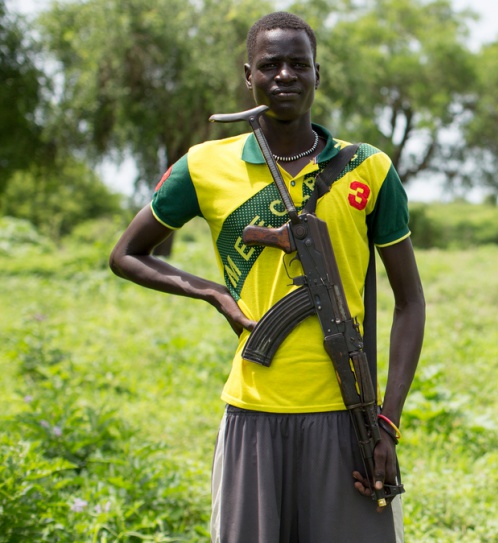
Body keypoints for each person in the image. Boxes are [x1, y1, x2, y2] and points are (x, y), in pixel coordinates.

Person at [110, 12, 425, 543]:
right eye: (270, 65)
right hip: (253, 414)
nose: (284, 76)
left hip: (347, 414)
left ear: (317, 76)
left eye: (298, 65)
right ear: (248, 76)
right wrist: (211, 292)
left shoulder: (365, 168)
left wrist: (386, 426)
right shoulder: (205, 165)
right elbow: (127, 254)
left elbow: (410, 302)